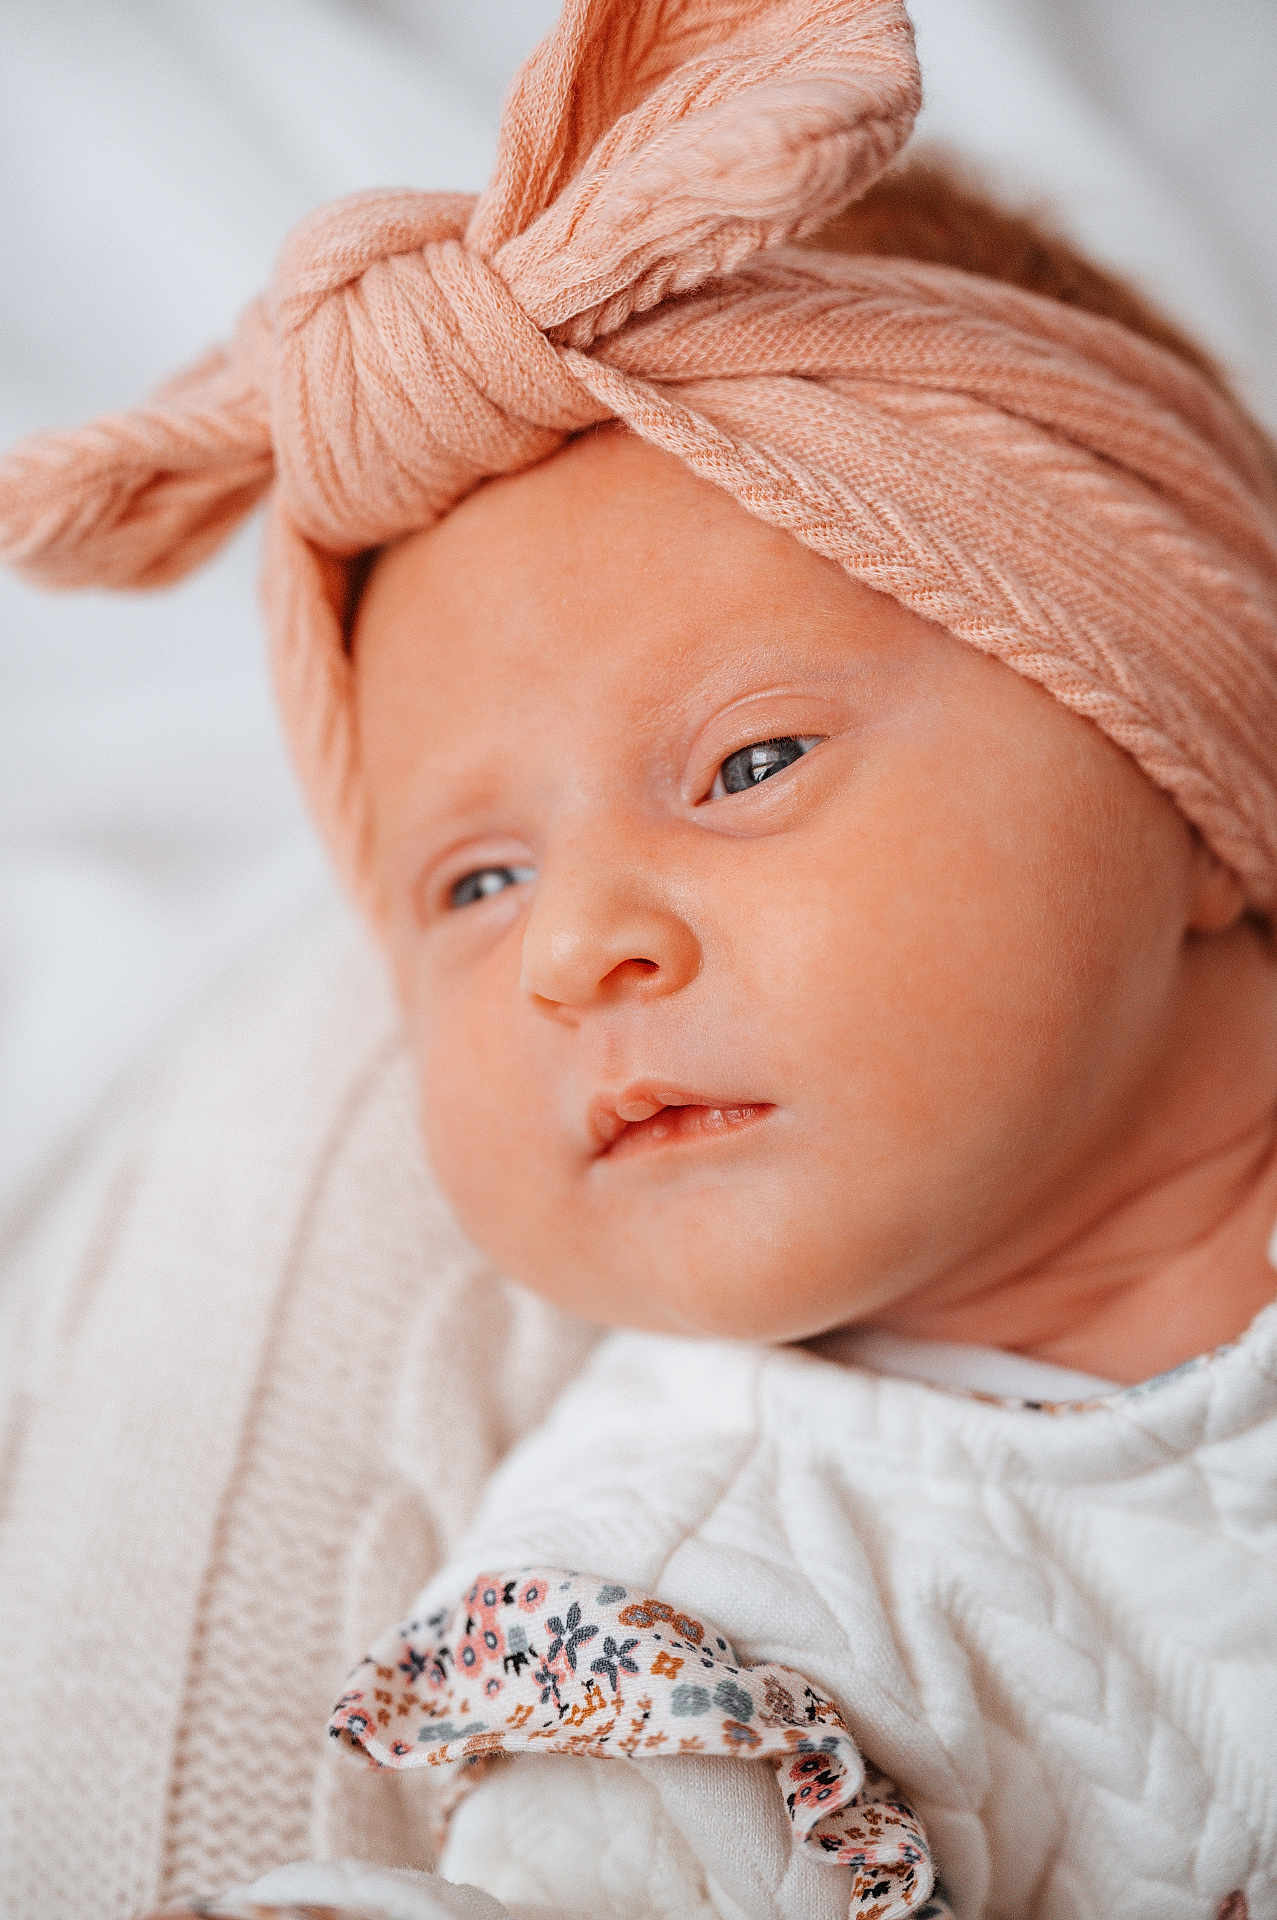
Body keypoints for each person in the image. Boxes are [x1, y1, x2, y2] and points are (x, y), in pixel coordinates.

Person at [2, 0, 1274, 1915]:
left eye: (748, 765)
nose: (576, 950)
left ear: (1179, 767)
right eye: (473, 886)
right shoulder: (706, 1614)